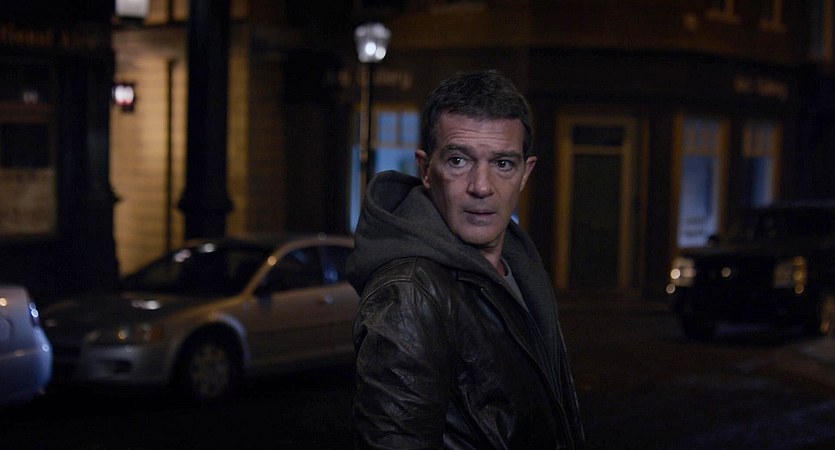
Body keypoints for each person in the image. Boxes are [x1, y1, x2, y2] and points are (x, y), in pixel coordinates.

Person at [348, 69, 586, 449]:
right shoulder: (410, 293)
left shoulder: (521, 268)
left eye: (503, 164)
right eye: (459, 161)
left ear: (525, 173)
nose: (481, 186)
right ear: (426, 170)